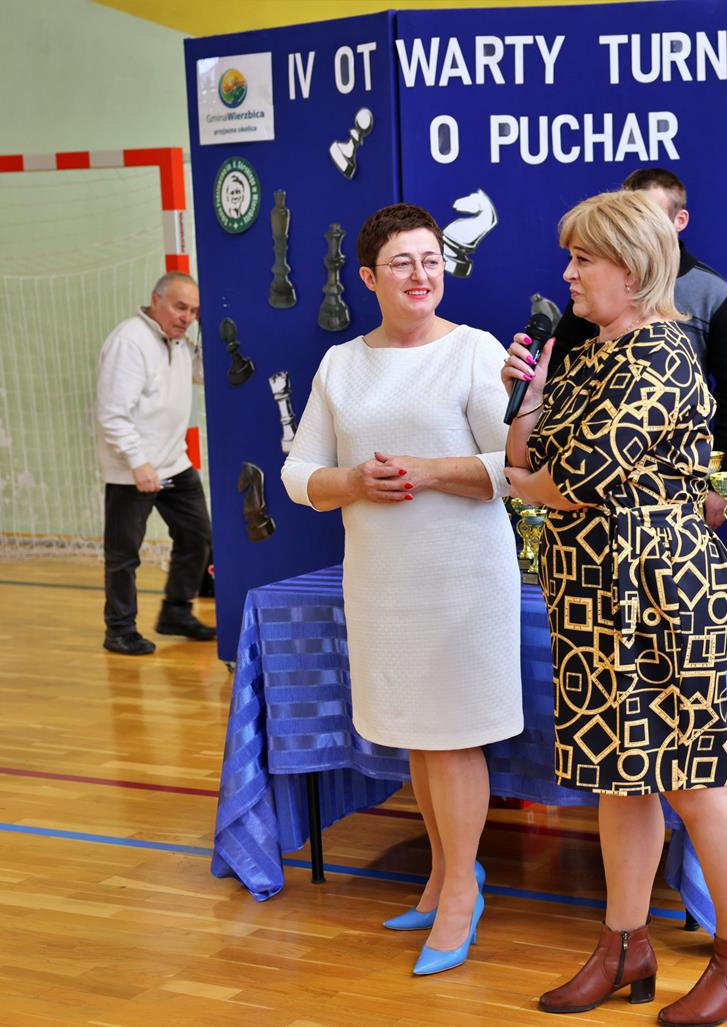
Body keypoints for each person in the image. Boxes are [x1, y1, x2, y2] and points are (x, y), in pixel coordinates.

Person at [503, 191, 727, 1025]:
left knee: (693, 778)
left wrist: (522, 482)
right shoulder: (588, 355)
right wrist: (531, 395)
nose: (567, 273)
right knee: (618, 777)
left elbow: (567, 478)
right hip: (593, 593)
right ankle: (624, 945)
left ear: (631, 267)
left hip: (660, 591)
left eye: (582, 259)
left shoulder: (661, 355)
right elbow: (526, 455)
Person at [279, 203, 522, 975]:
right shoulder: (340, 364)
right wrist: (352, 481)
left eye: (431, 260)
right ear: (367, 277)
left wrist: (427, 471)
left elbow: (514, 469)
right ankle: (445, 876)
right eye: (403, 263)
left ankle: (461, 895)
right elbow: (296, 475)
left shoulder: (475, 350)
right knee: (421, 737)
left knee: (451, 737)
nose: (421, 275)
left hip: (462, 580)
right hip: (383, 582)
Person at [548, 167, 727, 530]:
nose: (571, 274)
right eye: (626, 215)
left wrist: (719, 482)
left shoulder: (678, 335)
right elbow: (548, 421)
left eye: (646, 216)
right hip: (587, 531)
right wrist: (529, 405)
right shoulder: (587, 317)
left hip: (649, 527)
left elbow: (577, 481)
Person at [96, 272, 214, 656]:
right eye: (180, 307)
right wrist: (138, 462)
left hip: (173, 463)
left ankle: (176, 612)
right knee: (123, 554)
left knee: (198, 536)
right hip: (135, 470)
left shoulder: (179, 342)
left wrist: (209, 330)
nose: (186, 317)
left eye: (194, 311)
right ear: (156, 300)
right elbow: (112, 413)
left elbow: (203, 374)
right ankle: (119, 630)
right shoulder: (129, 342)